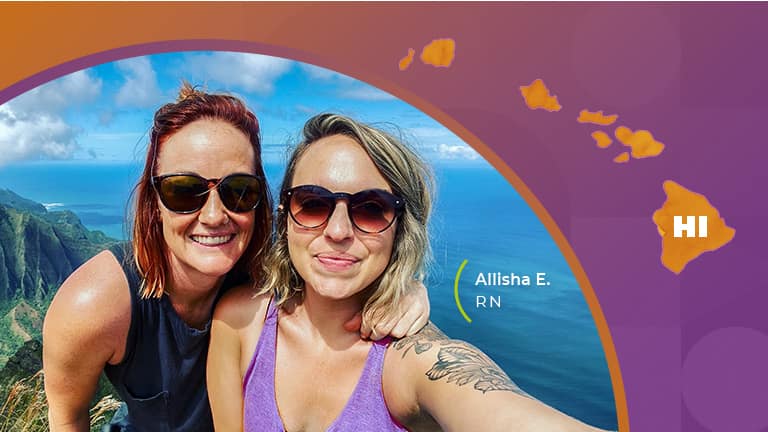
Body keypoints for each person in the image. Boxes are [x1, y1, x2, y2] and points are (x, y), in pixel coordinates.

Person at [42, 86, 430, 432]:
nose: (214, 216)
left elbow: (332, 263)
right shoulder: (95, 305)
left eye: (238, 191)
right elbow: (67, 419)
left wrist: (405, 287)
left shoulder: (264, 274)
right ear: (153, 203)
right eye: (184, 190)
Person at [207, 113, 613, 431]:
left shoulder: (409, 360)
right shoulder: (241, 322)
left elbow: (494, 405)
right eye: (313, 203)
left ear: (400, 229)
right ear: (286, 216)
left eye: (371, 209)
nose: (337, 231)